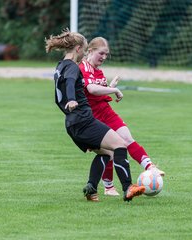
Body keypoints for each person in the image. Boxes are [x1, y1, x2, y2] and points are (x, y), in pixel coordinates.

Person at [45, 29, 145, 202]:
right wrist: (71, 100)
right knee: (120, 146)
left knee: (106, 153)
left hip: (71, 124)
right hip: (84, 121)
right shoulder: (72, 68)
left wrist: (69, 108)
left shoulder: (60, 67)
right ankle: (128, 187)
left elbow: (58, 96)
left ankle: (91, 188)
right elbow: (70, 83)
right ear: (77, 49)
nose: (84, 54)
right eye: (83, 50)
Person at [79, 37, 165, 196]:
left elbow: (98, 92)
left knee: (127, 138)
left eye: (106, 55)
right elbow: (91, 89)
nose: (104, 57)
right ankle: (108, 186)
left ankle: (150, 167)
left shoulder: (98, 70)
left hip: (106, 111)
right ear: (90, 51)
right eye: (101, 53)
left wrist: (110, 87)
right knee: (109, 151)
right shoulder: (83, 68)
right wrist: (114, 90)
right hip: (92, 117)